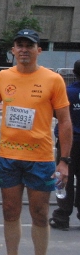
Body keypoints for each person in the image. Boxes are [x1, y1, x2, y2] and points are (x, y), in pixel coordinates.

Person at [0, 29, 72, 255]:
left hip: (40, 159)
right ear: (13, 50)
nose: (24, 49)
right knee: (10, 212)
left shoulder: (53, 80)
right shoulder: (4, 76)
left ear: (38, 50)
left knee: (40, 214)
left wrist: (63, 162)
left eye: (29, 45)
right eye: (19, 45)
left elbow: (64, 121)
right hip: (8, 158)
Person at [50, 59, 80, 230]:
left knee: (64, 177)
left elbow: (58, 114)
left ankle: (62, 215)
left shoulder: (68, 92)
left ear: (74, 73)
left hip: (69, 141)